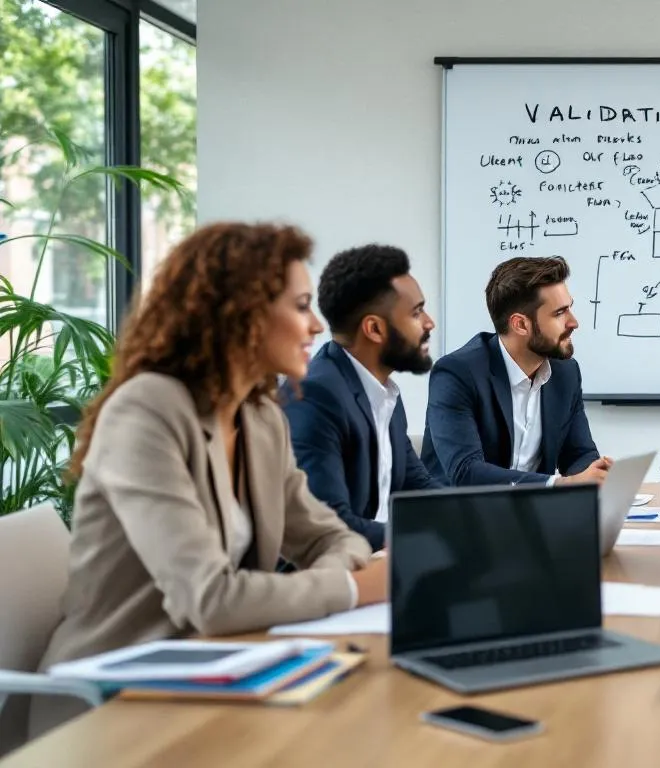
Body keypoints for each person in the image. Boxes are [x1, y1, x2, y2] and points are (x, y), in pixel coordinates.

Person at [30, 222, 384, 739]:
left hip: (220, 673)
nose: (315, 326)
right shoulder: (147, 410)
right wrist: (353, 587)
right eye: (301, 305)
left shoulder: (260, 417)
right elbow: (210, 600)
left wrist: (339, 575)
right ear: (241, 312)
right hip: (110, 702)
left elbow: (332, 537)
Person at [281, 244, 440, 550]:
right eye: (416, 312)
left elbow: (418, 485)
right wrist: (423, 540)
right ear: (374, 329)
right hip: (331, 570)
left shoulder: (385, 393)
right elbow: (330, 523)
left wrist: (480, 514)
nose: (429, 322)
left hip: (378, 559)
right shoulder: (315, 397)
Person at [422, 255, 609, 486]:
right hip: (459, 507)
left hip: (535, 508)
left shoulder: (566, 373)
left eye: (570, 308)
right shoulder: (456, 374)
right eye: (560, 313)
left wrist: (596, 474)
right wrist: (560, 485)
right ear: (520, 324)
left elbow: (578, 454)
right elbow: (466, 472)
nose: (574, 322)